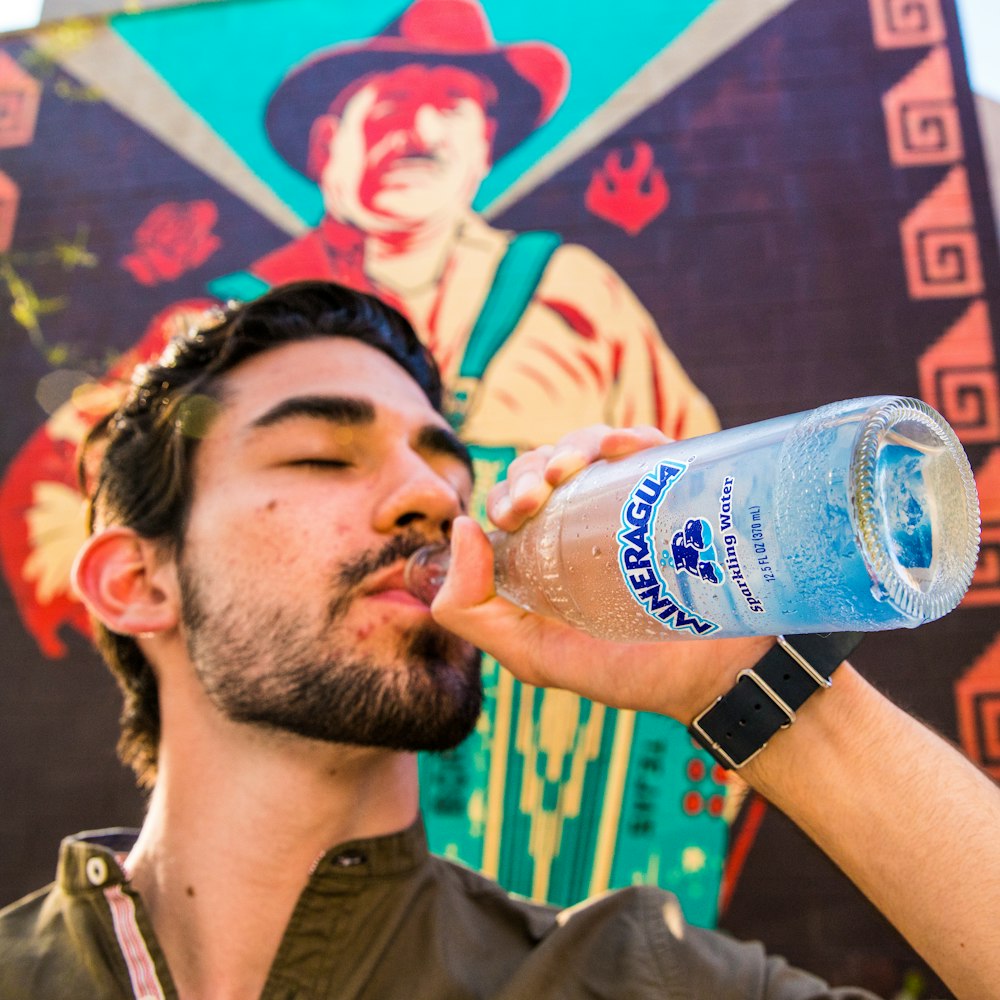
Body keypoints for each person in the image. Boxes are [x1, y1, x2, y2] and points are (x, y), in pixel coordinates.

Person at [0, 281, 996, 999]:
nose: (435, 497)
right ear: (136, 584)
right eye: (319, 453)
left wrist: (750, 683)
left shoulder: (628, 979)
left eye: (446, 462)